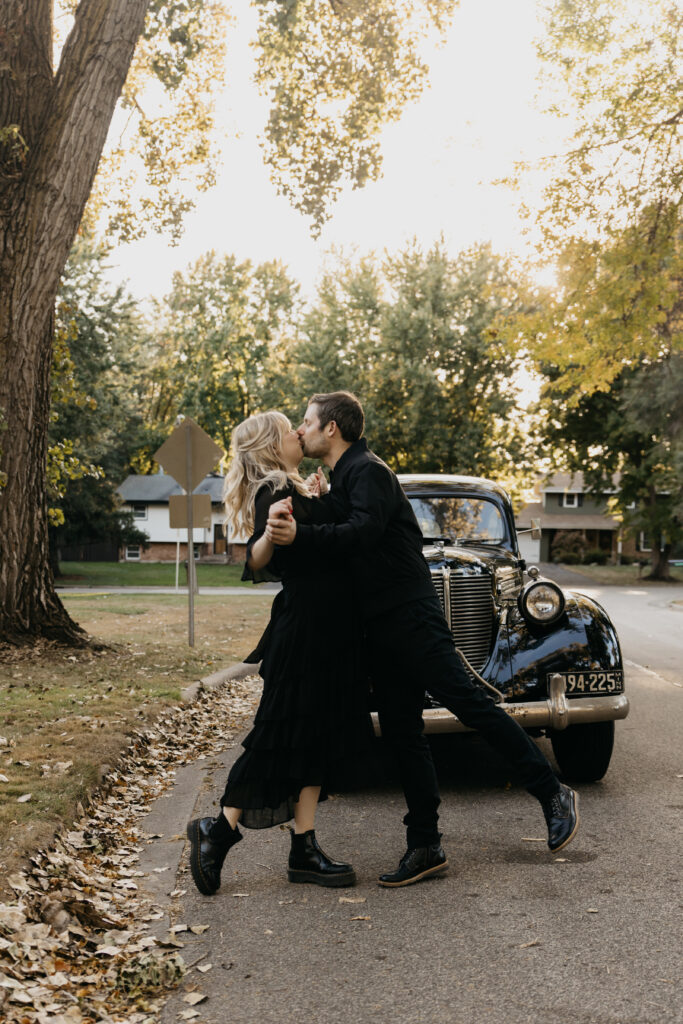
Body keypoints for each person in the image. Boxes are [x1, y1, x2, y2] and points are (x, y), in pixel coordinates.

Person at [266, 391, 579, 887]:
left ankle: (552, 792)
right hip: (380, 625)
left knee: (470, 704)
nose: (300, 430)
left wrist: (303, 534)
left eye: (306, 422)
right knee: (402, 730)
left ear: (332, 429)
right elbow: (347, 531)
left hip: (410, 616)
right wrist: (318, 501)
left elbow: (362, 532)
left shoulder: (368, 470)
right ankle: (425, 844)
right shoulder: (346, 476)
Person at [186, 411, 372, 896]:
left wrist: (323, 498)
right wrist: (272, 532)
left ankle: (304, 848)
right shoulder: (274, 490)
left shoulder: (298, 487)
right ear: (271, 445)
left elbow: (329, 544)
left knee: (315, 737)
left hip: (328, 630)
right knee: (278, 733)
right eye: (289, 428)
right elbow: (256, 556)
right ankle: (218, 831)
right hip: (304, 631)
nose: (297, 432)